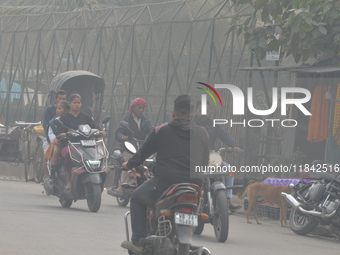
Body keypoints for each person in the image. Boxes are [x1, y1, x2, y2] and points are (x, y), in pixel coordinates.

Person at [120, 95, 210, 254]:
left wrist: (129, 164)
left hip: (165, 183)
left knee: (136, 198)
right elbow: (204, 163)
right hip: (194, 186)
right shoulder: (203, 133)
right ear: (191, 115)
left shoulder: (161, 131)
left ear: (173, 113)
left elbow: (142, 155)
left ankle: (139, 242)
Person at [194, 100, 243, 211]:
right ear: (196, 111)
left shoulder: (214, 124)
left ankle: (227, 200)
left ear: (210, 112)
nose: (204, 113)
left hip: (210, 157)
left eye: (206, 111)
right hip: (193, 157)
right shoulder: (191, 123)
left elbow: (225, 135)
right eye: (201, 111)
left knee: (228, 169)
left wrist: (234, 145)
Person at [55, 94, 105, 189]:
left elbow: (94, 126)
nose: (77, 105)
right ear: (70, 104)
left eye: (79, 102)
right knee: (69, 155)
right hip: (69, 144)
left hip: (84, 145)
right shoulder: (64, 117)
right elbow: (59, 131)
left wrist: (100, 131)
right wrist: (63, 134)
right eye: (75, 103)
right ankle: (69, 181)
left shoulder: (85, 117)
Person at [109, 98, 154, 196]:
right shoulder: (126, 120)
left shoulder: (145, 121)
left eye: (143, 108)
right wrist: (122, 137)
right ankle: (121, 186)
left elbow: (151, 130)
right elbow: (118, 132)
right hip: (128, 148)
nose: (141, 110)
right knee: (130, 163)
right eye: (139, 107)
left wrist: (155, 135)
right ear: (133, 108)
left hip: (141, 148)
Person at [42, 90, 67, 180]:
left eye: (63, 99)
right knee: (47, 156)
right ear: (56, 99)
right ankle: (48, 178)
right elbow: (46, 124)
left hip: (64, 139)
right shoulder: (50, 110)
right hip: (51, 136)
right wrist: (51, 139)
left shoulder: (68, 113)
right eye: (59, 98)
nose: (61, 100)